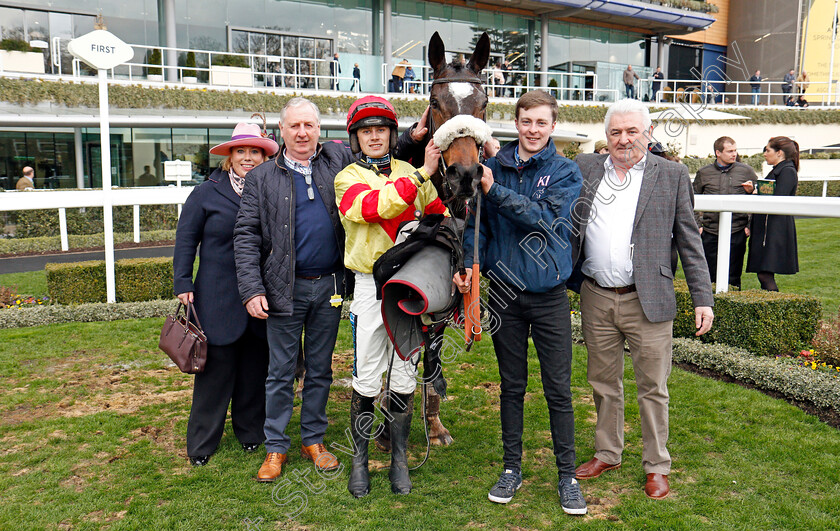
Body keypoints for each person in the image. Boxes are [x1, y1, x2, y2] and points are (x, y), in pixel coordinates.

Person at [453, 90, 587, 515]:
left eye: (541, 123)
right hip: (504, 296)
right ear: (516, 122)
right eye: (526, 121)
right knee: (511, 386)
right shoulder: (492, 167)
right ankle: (512, 468)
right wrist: (470, 263)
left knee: (558, 390)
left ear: (552, 126)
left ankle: (567, 476)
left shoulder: (567, 171)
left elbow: (548, 223)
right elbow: (479, 226)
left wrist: (495, 192)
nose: (533, 130)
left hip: (549, 296)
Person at [571, 99, 714, 500]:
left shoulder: (670, 175)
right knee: (602, 381)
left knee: (653, 386)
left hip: (648, 298)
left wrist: (703, 297)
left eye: (632, 131)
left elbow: (689, 240)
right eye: (616, 132)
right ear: (606, 136)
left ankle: (657, 465)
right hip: (596, 294)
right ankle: (608, 452)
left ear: (648, 134)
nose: (624, 139)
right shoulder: (585, 169)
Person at [234, 97, 355, 482]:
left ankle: (313, 439)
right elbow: (246, 236)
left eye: (310, 125)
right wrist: (252, 289)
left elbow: (382, 145)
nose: (302, 133)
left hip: (331, 287)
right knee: (281, 371)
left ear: (320, 130)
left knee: (320, 369)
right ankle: (275, 447)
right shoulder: (262, 177)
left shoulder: (339, 163)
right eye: (294, 126)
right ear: (281, 131)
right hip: (284, 289)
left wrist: (420, 133)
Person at [334, 95, 447, 498]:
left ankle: (399, 458)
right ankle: (360, 461)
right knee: (367, 377)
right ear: (356, 138)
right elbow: (370, 208)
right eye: (367, 131)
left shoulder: (414, 171)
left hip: (409, 286)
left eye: (381, 129)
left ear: (392, 133)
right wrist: (421, 176)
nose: (375, 137)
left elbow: (439, 217)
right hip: (368, 285)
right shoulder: (346, 177)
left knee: (402, 375)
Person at [174, 122, 278, 467]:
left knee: (254, 368)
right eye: (241, 151)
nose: (248, 157)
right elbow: (186, 240)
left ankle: (251, 433)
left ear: (264, 156)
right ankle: (202, 442)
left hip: (260, 296)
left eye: (255, 151)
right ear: (229, 156)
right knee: (214, 373)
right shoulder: (206, 193)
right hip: (216, 295)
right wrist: (182, 283)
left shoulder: (272, 189)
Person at [693, 137, 756, 289]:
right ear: (718, 153)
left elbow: (757, 197)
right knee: (708, 275)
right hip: (709, 232)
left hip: (737, 231)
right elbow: (691, 200)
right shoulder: (704, 173)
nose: (734, 154)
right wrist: (698, 225)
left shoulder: (746, 171)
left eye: (735, 150)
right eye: (730, 151)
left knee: (733, 276)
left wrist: (749, 224)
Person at [746, 136, 800, 291]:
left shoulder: (787, 171)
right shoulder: (780, 170)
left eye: (767, 150)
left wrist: (756, 193)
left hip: (774, 229)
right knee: (763, 273)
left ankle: (774, 306)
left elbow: (778, 200)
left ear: (779, 153)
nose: (764, 153)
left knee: (765, 274)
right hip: (769, 228)